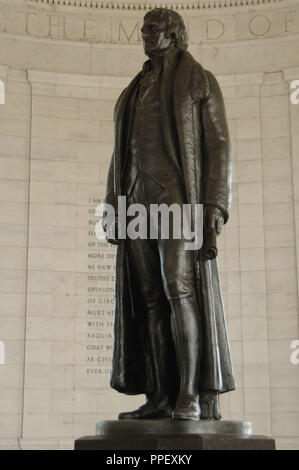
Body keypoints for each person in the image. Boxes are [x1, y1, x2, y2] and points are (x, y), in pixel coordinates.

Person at [103, 7, 235, 420]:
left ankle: (189, 396)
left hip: (177, 199)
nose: (146, 35)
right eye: (143, 29)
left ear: (173, 34)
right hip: (137, 202)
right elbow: (120, 154)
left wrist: (214, 204)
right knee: (150, 301)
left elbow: (218, 145)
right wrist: (112, 207)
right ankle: (160, 396)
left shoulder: (197, 80)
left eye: (154, 29)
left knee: (179, 291)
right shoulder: (133, 89)